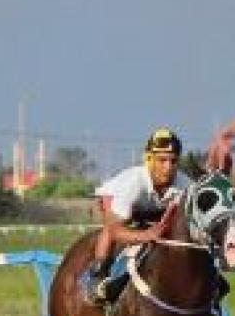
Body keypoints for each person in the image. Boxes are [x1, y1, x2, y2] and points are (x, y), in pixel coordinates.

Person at [81, 128, 193, 306]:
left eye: (173, 161)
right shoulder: (133, 183)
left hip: (151, 206)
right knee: (110, 231)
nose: (168, 167)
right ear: (149, 159)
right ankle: (96, 276)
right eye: (162, 160)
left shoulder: (185, 184)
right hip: (113, 199)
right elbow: (116, 230)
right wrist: (147, 235)